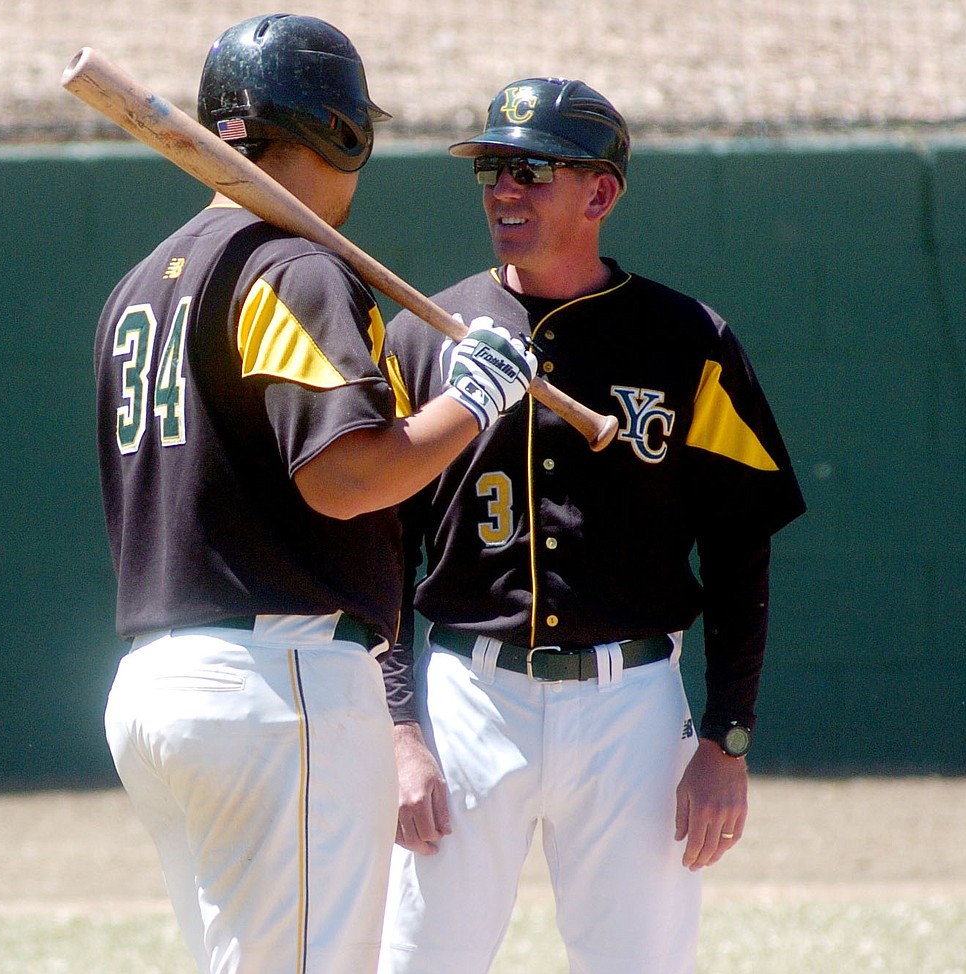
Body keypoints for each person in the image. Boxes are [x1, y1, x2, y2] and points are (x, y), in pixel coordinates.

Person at [96, 16, 537, 974]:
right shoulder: (294, 267)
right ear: (341, 130)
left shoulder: (142, 283)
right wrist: (472, 403)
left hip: (163, 688)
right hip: (275, 680)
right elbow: (345, 479)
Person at [378, 77, 807, 974]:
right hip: (467, 694)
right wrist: (400, 730)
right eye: (492, 166)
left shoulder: (687, 339)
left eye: (532, 169)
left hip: (632, 703)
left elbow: (739, 550)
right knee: (421, 960)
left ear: (600, 193)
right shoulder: (427, 333)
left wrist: (728, 743)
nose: (503, 188)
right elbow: (375, 549)